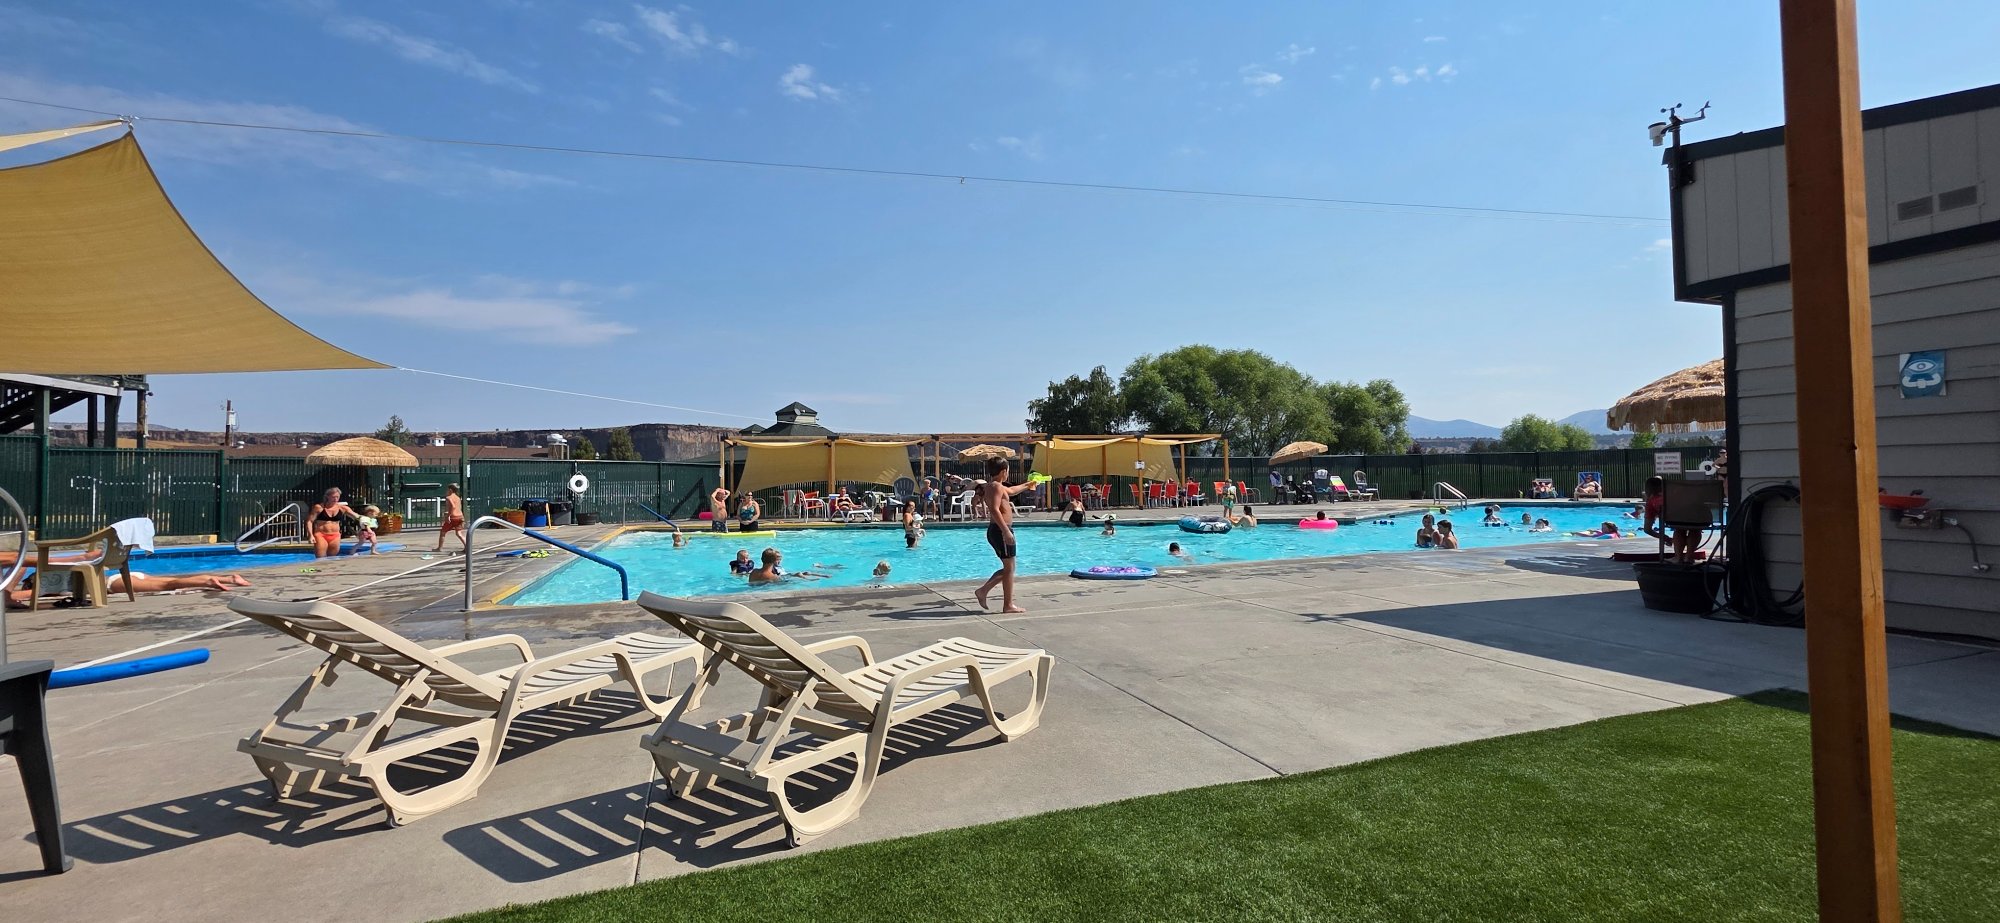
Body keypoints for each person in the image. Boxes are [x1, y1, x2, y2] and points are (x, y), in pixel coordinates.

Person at [972, 455, 1037, 614]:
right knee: (1009, 568)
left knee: (1009, 568)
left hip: (999, 530)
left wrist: (1028, 484)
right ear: (1003, 471)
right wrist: (1006, 531)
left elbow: (1012, 490)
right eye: (1007, 471)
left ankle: (984, 592)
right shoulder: (995, 487)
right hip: (1000, 530)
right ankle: (1006, 604)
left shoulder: (996, 486)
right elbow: (994, 510)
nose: (1008, 473)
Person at [8, 570, 252, 608]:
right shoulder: (59, 577)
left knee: (169, 584)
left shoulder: (46, 587)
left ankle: (208, 582)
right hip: (123, 576)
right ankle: (227, 578)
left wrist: (10, 592)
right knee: (171, 580)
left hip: (113, 584)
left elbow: (17, 596)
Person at [1641, 475, 1701, 563]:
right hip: (1701, 517)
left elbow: (1647, 529)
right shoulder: (1677, 494)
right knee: (1695, 529)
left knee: (1679, 529)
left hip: (1676, 520)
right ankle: (1689, 557)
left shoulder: (1651, 502)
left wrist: (1666, 538)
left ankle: (1678, 557)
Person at [309, 487, 355, 559]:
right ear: (327, 496)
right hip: (321, 535)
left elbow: (356, 516)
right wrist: (311, 535)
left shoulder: (342, 508)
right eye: (333, 497)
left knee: (332, 558)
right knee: (321, 558)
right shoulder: (319, 508)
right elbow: (309, 521)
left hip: (335, 535)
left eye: (337, 497)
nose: (335, 499)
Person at [436, 484, 466, 554]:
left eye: (447, 489)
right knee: (459, 533)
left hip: (453, 517)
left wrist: (448, 515)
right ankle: (467, 547)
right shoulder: (458, 498)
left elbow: (453, 506)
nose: (446, 491)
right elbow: (458, 508)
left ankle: (439, 548)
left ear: (450, 490)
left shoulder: (449, 497)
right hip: (460, 517)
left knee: (443, 532)